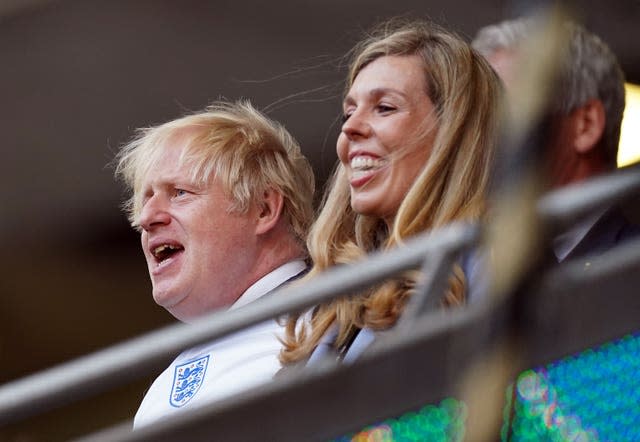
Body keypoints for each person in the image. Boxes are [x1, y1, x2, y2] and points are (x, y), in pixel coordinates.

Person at [280, 19, 502, 366]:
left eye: (384, 108)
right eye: (348, 113)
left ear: (455, 134)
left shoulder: (499, 259)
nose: (350, 128)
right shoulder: (342, 292)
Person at [114, 100, 315, 427]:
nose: (147, 218)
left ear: (263, 209)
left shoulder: (335, 323)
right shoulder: (167, 383)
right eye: (146, 200)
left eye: (179, 192)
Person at [472, 18, 639, 263]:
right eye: (473, 118)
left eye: (501, 112)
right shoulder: (457, 274)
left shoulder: (630, 268)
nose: (475, 138)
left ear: (586, 125)